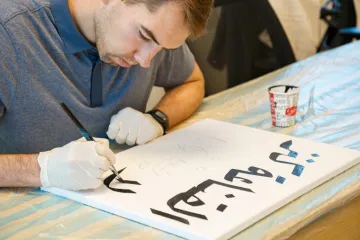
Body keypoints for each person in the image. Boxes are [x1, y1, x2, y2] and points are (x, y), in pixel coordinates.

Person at [0, 0, 213, 190]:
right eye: (143, 35)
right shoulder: (9, 32)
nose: (145, 61)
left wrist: (158, 118)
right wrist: (42, 169)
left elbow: (193, 82)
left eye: (162, 48)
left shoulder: (158, 30)